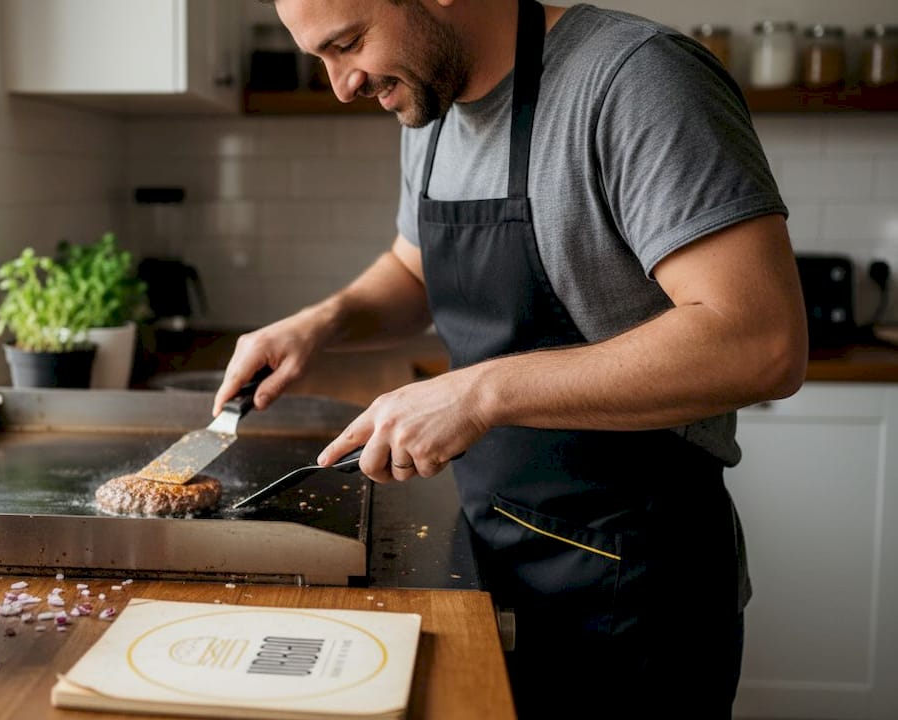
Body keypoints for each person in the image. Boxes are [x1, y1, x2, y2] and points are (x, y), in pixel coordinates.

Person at [214, 0, 808, 717]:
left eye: (347, 44)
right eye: (321, 58)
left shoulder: (634, 79)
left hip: (632, 592)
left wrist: (477, 394)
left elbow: (760, 341)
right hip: (490, 548)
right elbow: (417, 269)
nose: (342, 83)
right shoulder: (428, 99)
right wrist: (321, 323)